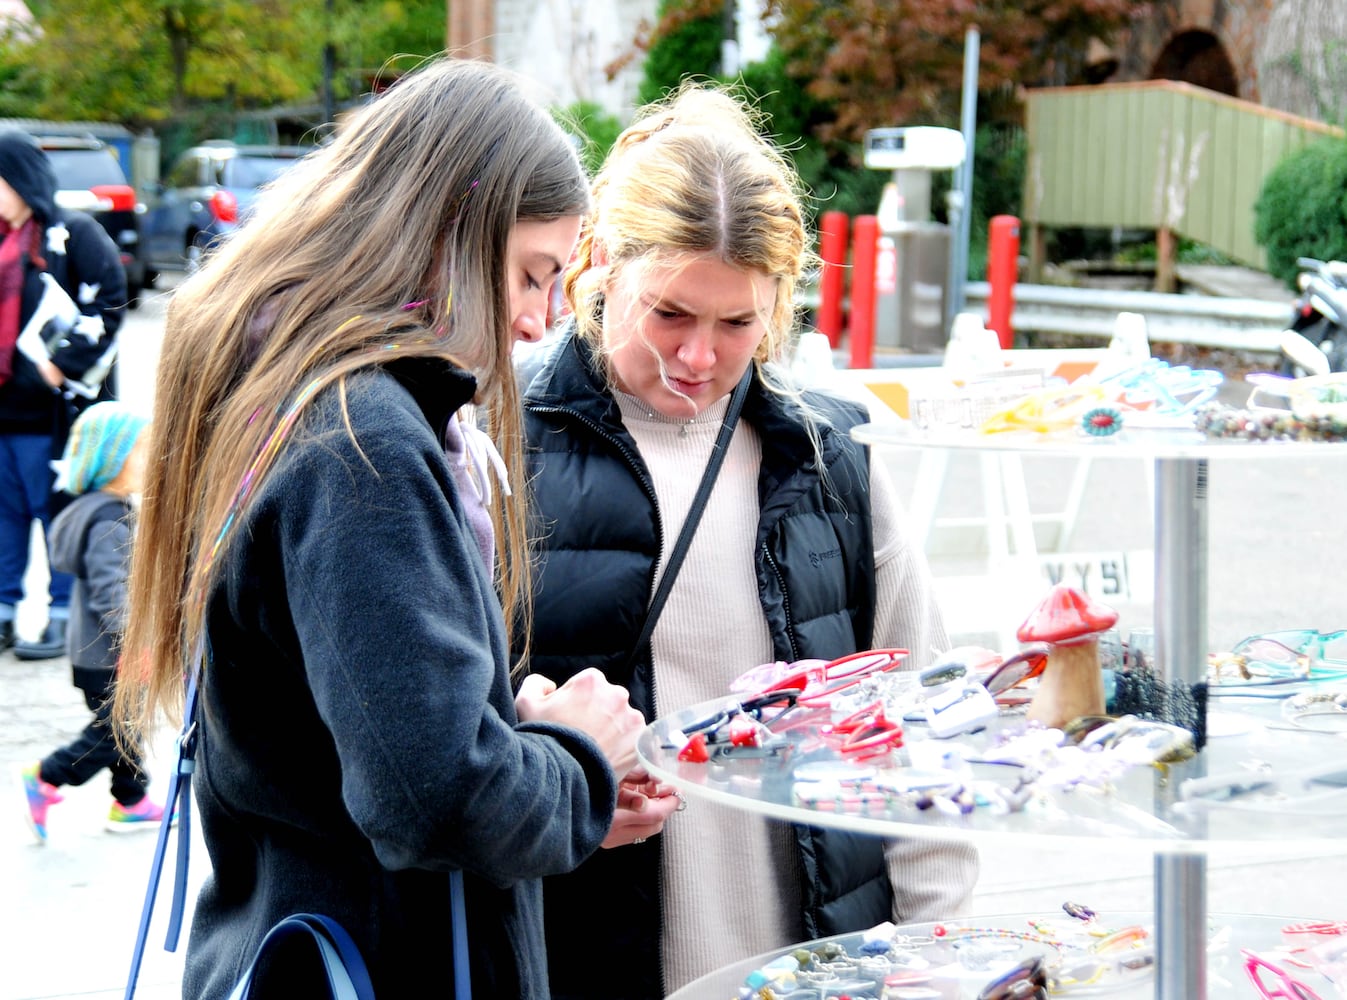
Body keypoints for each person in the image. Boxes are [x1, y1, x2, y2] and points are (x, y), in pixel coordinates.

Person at [112, 57, 648, 999]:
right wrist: (574, 761)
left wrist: (521, 752)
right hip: (374, 958)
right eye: (532, 275)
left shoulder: (289, 396)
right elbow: (430, 800)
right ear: (447, 233)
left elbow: (358, 738)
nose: (540, 323)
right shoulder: (359, 441)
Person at [518, 82, 980, 998]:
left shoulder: (833, 455)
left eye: (738, 323)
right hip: (567, 954)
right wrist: (542, 755)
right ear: (599, 265)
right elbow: (425, 729)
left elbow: (921, 735)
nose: (699, 357)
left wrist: (938, 962)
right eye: (670, 314)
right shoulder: (496, 435)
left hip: (810, 963)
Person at [0, 128, 126, 660]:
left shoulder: (75, 234)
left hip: (53, 412)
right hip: (3, 412)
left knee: (56, 511)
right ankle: (4, 612)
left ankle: (58, 615)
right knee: (2, 516)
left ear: (21, 181)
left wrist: (61, 365)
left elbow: (113, 303)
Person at [20, 401, 165, 843]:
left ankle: (131, 801)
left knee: (123, 727)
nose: (152, 458)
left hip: (93, 651)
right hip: (112, 653)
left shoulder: (92, 509)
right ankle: (47, 775)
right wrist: (136, 647)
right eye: (143, 450)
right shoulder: (109, 518)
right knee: (115, 733)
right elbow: (113, 594)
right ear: (113, 460)